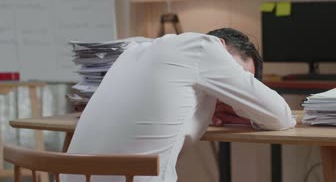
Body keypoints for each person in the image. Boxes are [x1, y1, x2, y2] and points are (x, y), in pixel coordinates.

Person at [63, 28, 296, 182]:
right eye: (240, 77)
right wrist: (243, 111)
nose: (229, 96)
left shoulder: (136, 51)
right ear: (222, 46)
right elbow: (281, 116)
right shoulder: (205, 47)